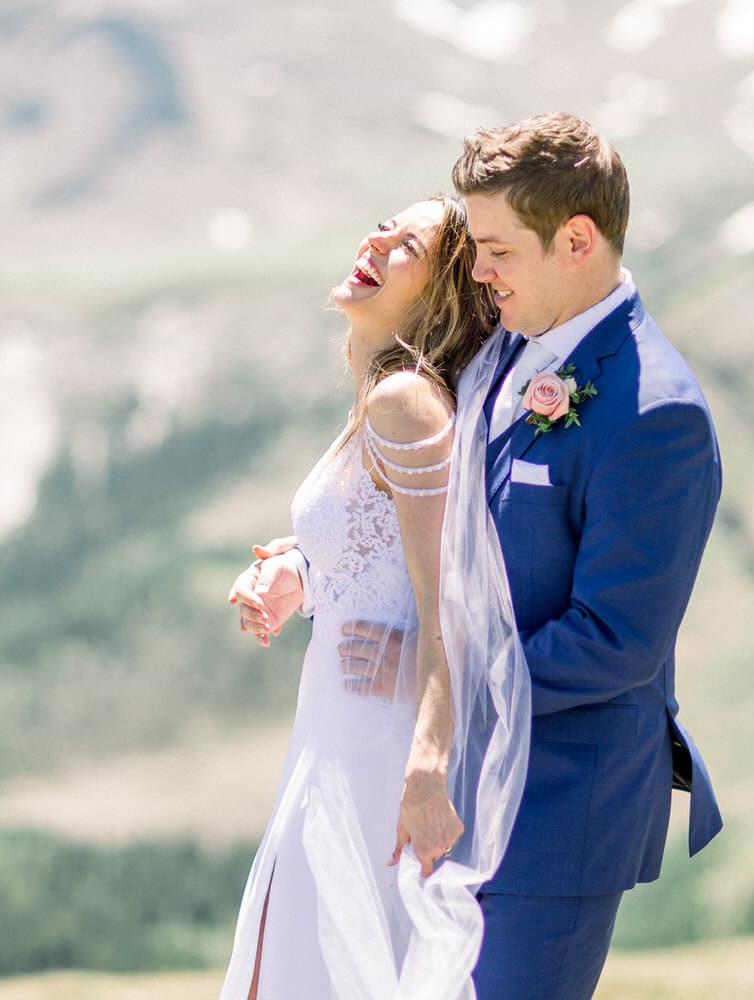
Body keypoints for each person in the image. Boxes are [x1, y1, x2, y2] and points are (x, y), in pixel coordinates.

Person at [238, 113, 724, 999]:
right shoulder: (502, 348)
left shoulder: (657, 413)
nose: (477, 268)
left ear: (575, 240)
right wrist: (312, 572)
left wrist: (438, 687)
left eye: (496, 247)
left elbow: (614, 641)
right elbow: (419, 528)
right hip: (445, 795)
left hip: (555, 811)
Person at [219, 195, 532, 1000]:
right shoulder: (381, 400)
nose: (377, 240)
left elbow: (447, 600)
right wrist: (301, 575)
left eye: (408, 246)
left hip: (373, 749)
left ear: (437, 297)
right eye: (383, 226)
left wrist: (426, 763)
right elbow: (382, 552)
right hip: (333, 730)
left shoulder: (405, 404)